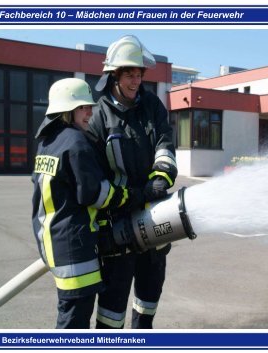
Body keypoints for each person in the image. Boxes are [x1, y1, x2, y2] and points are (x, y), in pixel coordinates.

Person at [31, 78, 142, 328]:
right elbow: (94, 193)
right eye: (83, 107)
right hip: (75, 249)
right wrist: (128, 196)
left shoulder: (47, 143)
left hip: (53, 243)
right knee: (74, 325)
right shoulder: (76, 142)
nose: (90, 112)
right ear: (67, 111)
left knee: (69, 316)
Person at [88, 35, 177, 329]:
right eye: (130, 74)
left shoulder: (151, 105)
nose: (136, 81)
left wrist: (160, 179)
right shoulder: (98, 115)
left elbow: (165, 142)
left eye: (139, 75)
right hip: (118, 226)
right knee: (111, 312)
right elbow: (93, 175)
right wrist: (129, 198)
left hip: (154, 216)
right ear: (114, 75)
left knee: (148, 299)